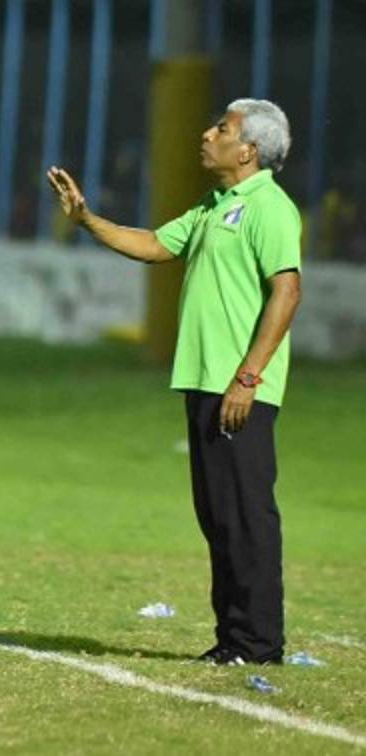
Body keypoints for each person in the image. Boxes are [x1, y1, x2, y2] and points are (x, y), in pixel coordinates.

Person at [47, 98, 302, 666]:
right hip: (205, 381)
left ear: (248, 150)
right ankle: (233, 640)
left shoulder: (269, 208)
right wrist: (86, 218)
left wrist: (248, 377)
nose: (207, 132)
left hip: (242, 388)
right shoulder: (216, 205)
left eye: (222, 128)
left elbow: (287, 291)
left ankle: (260, 643)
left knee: (246, 514)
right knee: (216, 515)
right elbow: (154, 245)